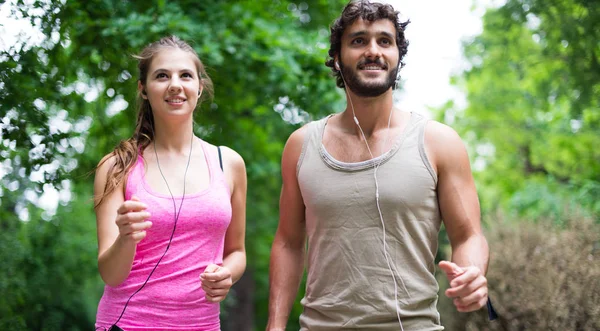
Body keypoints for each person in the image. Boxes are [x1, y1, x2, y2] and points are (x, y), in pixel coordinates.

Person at [267, 1, 490, 330]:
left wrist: (472, 272)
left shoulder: (439, 142)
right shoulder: (301, 146)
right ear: (338, 58)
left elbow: (469, 235)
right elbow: (287, 242)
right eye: (358, 40)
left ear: (398, 56)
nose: (373, 50)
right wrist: (275, 326)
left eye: (384, 41)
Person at [93, 36, 247, 331]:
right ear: (143, 89)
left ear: (199, 88)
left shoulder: (228, 163)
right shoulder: (117, 167)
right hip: (127, 324)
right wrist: (125, 237)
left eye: (185, 75)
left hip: (202, 325)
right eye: (162, 76)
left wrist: (226, 274)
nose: (175, 84)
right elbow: (110, 274)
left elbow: (237, 251)